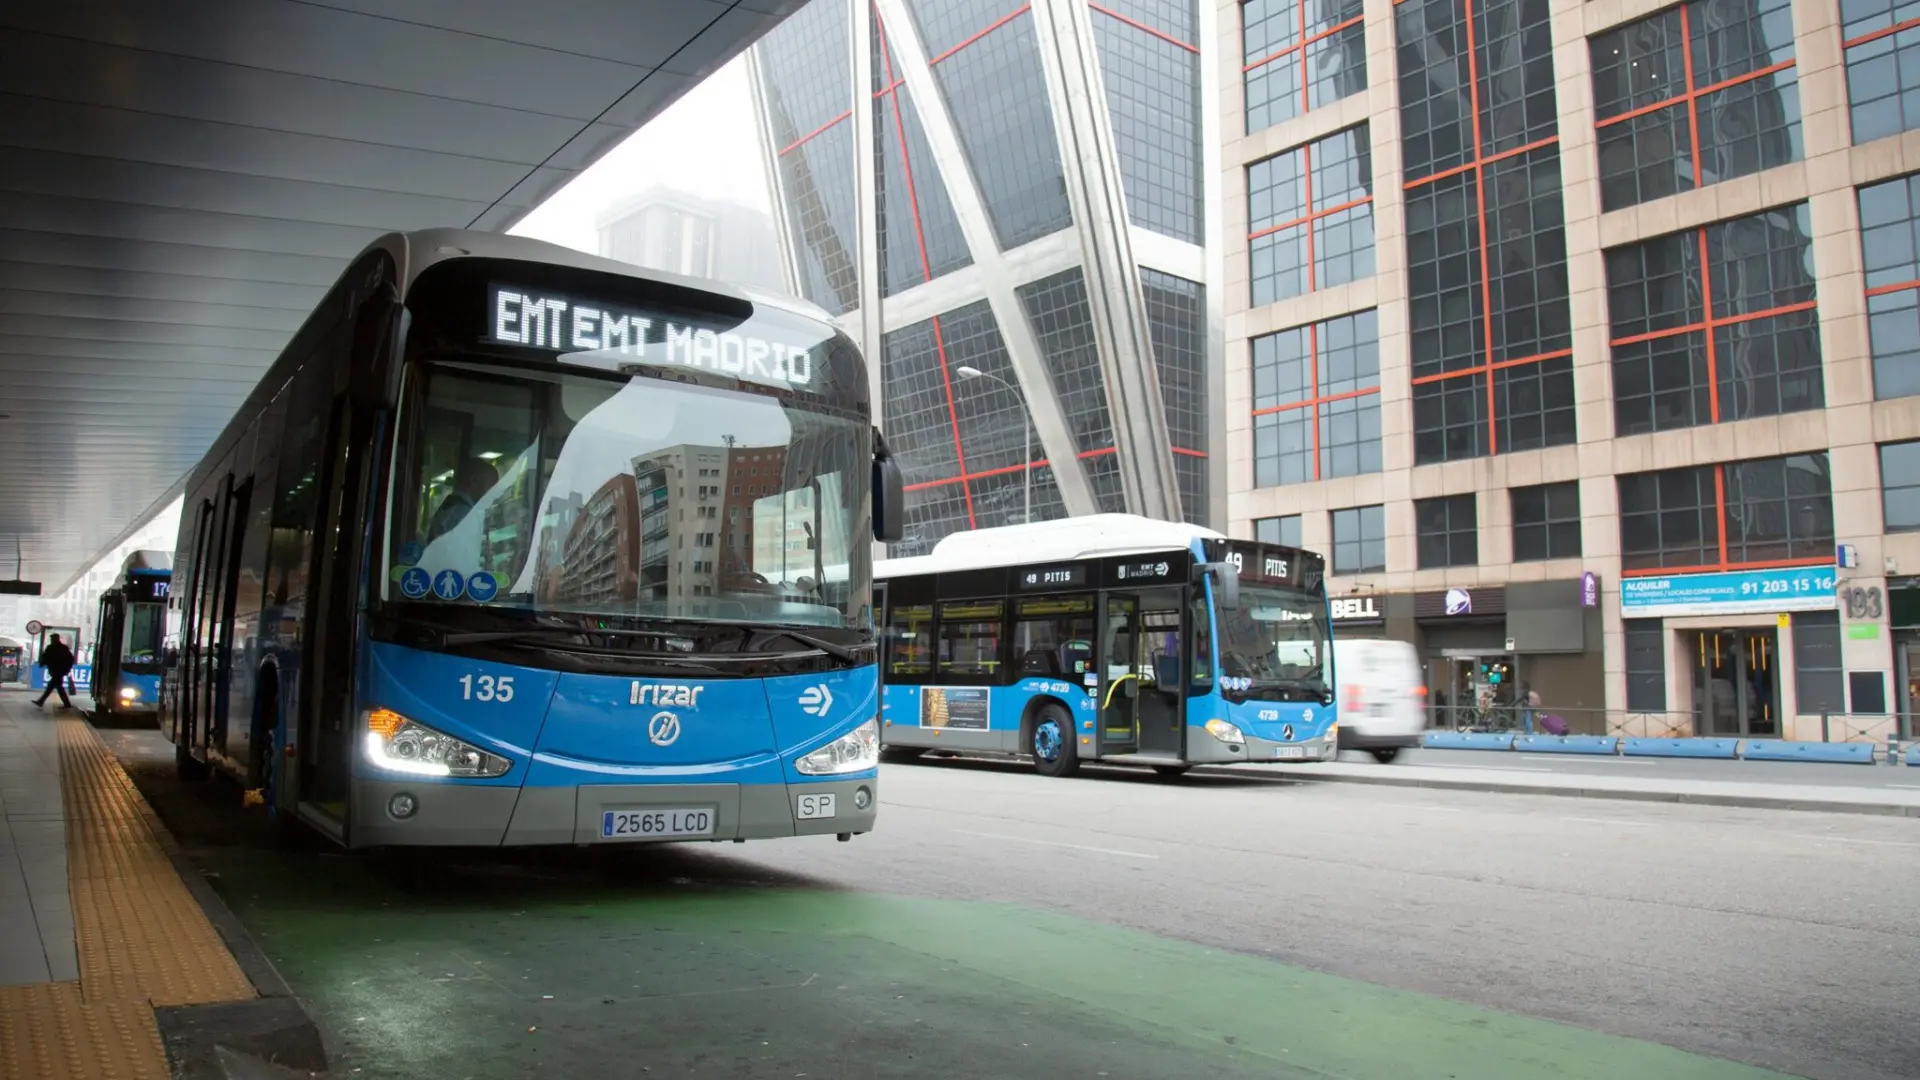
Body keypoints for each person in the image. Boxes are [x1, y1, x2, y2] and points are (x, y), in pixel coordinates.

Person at [427, 459, 498, 541]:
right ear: (473, 480)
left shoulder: (450, 508)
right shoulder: (464, 515)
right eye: (491, 486)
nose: (494, 494)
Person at [34, 633, 75, 709]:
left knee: (53, 686)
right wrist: (67, 669)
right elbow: (71, 659)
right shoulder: (63, 648)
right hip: (60, 671)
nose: (51, 640)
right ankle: (66, 704)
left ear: (55, 639)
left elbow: (46, 657)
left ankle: (41, 701)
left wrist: (42, 663)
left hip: (57, 671)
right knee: (57, 687)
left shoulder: (51, 648)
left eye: (52, 639)